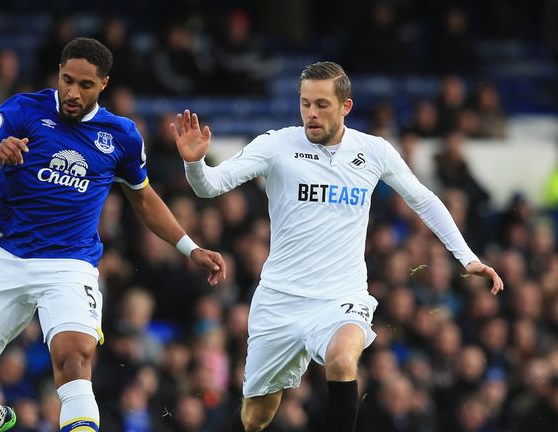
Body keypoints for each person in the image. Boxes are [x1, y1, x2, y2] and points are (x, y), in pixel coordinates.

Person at [169, 61, 503, 432]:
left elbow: (423, 199)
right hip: (280, 298)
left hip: (341, 296)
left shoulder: (373, 151)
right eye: (305, 103)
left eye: (322, 104)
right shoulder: (277, 145)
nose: (311, 113)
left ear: (345, 106)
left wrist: (468, 258)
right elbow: (210, 187)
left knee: (342, 360)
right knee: (256, 417)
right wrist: (195, 163)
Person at [0, 37, 227, 432]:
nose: (72, 92)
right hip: (6, 258)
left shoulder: (121, 135)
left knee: (75, 360)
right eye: (66, 80)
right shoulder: (21, 109)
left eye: (84, 85)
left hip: (70, 266)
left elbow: (144, 200)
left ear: (103, 83)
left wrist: (190, 248)